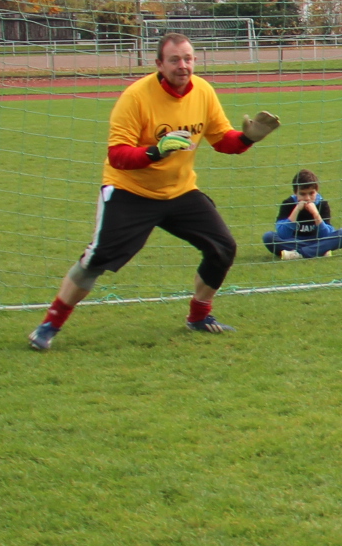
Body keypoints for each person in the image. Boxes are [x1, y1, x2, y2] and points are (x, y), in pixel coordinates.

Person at [27, 33, 282, 349]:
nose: (182, 66)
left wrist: (248, 138)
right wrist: (154, 151)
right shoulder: (135, 97)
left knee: (223, 248)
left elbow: (222, 141)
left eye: (188, 59)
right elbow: (117, 155)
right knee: (96, 260)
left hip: (179, 191)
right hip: (130, 190)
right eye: (174, 60)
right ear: (159, 64)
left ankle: (199, 317)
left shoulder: (203, 91)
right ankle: (49, 326)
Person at [263, 170, 342, 260]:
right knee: (268, 237)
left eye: (311, 193)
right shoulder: (288, 203)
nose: (307, 198)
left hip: (317, 240)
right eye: (302, 194)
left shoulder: (322, 204)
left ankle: (298, 254)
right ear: (295, 193)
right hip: (294, 241)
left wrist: (315, 213)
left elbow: (326, 234)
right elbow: (283, 234)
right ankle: (319, 251)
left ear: (316, 191)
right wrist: (297, 210)